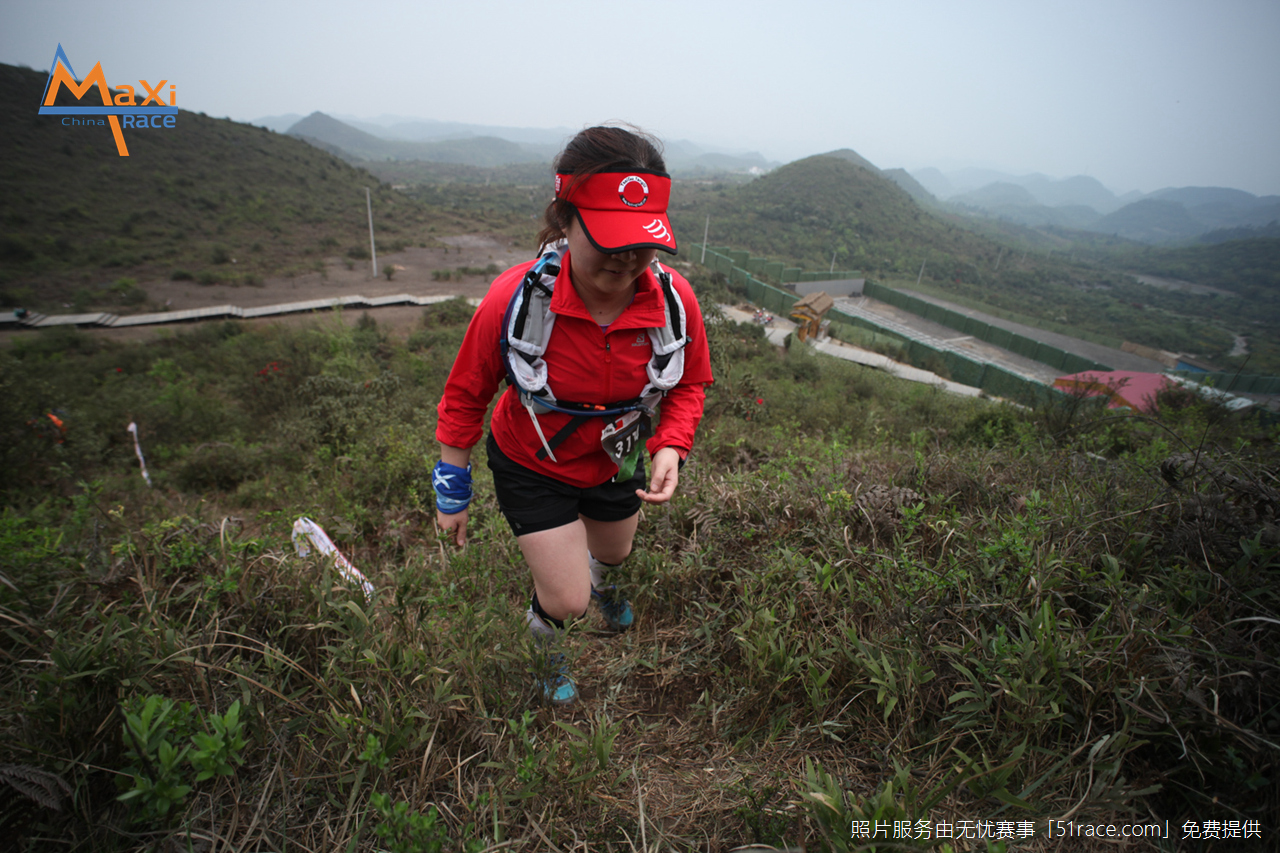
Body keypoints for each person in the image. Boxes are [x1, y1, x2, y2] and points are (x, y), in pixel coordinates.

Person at [433, 126, 714, 704]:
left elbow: (689, 384)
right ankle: (546, 646)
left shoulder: (674, 302)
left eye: (641, 243)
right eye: (609, 239)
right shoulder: (513, 300)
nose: (626, 258)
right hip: (532, 461)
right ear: (565, 219)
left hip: (617, 458)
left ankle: (603, 584)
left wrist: (670, 445)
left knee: (613, 553)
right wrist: (452, 492)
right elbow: (464, 395)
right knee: (567, 601)